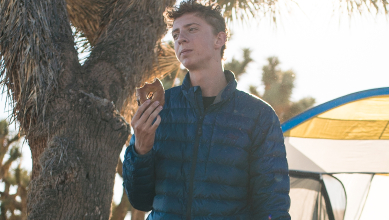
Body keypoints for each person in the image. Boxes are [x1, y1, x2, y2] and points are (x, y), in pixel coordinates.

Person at [122, 1, 291, 219]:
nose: (181, 39)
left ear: (219, 39)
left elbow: (272, 205)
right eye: (175, 35)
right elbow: (140, 200)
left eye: (192, 29)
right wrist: (140, 151)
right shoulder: (160, 108)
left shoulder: (259, 115)